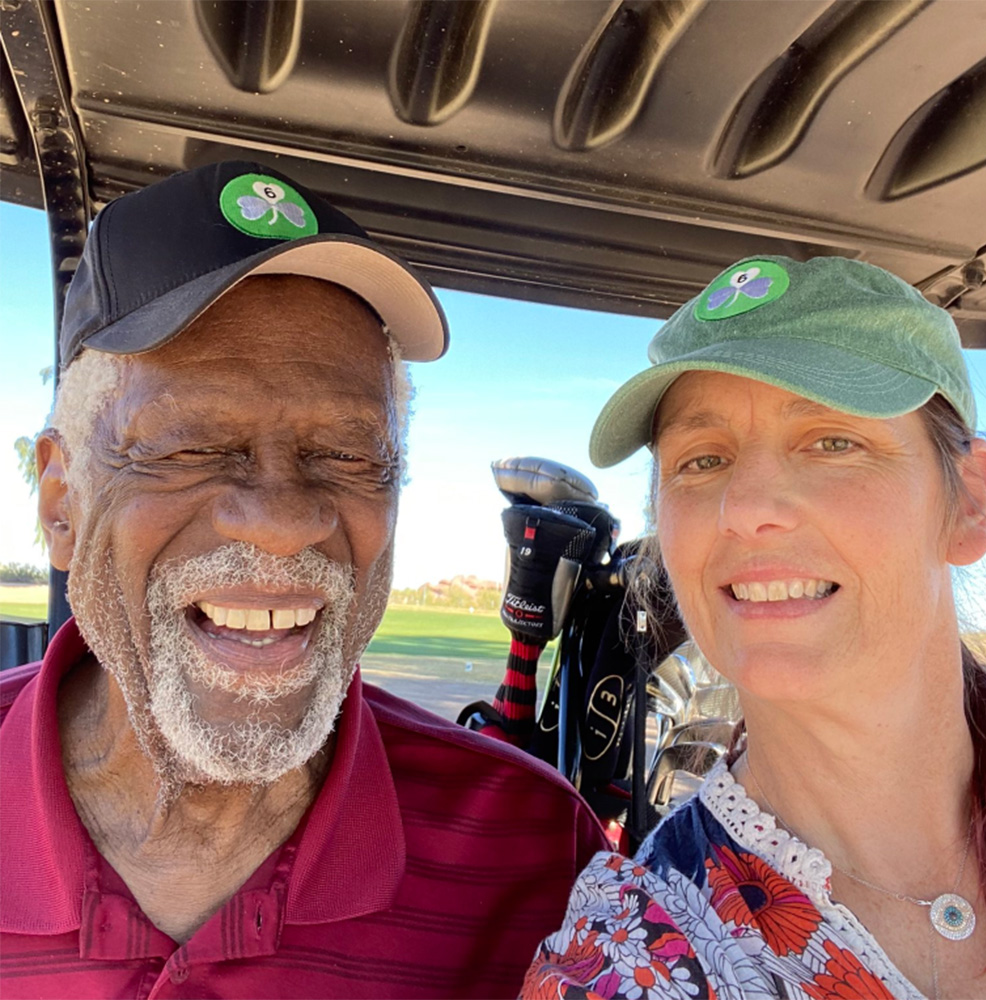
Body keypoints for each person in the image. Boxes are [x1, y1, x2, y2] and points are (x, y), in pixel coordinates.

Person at [0, 160, 609, 999]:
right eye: (190, 446)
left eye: (349, 457)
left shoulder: (536, 853)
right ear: (61, 502)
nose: (285, 521)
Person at [520, 255, 986, 999]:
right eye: (702, 460)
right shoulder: (630, 959)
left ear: (967, 501)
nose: (744, 506)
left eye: (831, 441)